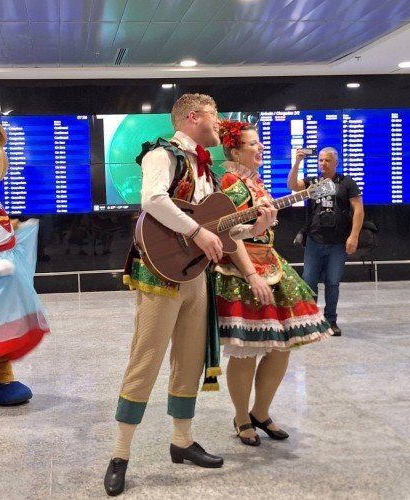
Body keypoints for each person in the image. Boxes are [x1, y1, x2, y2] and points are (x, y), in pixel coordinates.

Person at [103, 95, 276, 496]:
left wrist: (254, 228)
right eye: (215, 115)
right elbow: (153, 200)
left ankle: (181, 441)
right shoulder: (161, 155)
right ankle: (120, 453)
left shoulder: (207, 170)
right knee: (145, 360)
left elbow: (223, 235)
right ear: (193, 117)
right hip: (159, 276)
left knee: (190, 360)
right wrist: (197, 232)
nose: (221, 123)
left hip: (195, 276)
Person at [213, 120, 332, 446]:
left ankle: (260, 412)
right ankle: (241, 418)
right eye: (253, 144)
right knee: (246, 350)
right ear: (234, 150)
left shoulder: (254, 181)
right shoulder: (231, 183)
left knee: (282, 346)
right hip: (242, 267)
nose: (260, 147)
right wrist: (250, 272)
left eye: (259, 143)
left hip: (270, 261)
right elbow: (228, 233)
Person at [288, 147, 364, 336]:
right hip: (314, 239)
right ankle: (311, 320)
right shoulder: (313, 182)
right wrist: (297, 162)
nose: (323, 163)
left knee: (332, 282)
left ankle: (331, 321)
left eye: (328, 160)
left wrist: (354, 236)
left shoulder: (347, 182)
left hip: (338, 241)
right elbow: (292, 185)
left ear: (336, 163)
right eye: (321, 160)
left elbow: (359, 210)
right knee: (309, 280)